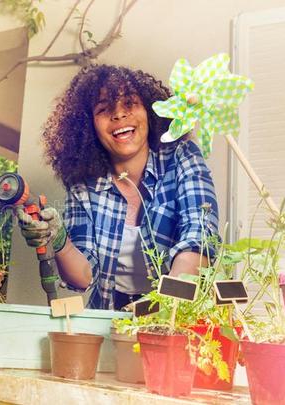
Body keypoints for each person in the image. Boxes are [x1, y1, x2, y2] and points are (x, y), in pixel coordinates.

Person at [16, 65, 219, 310]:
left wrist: (158, 307)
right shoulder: (83, 187)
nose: (119, 115)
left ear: (150, 111)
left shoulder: (182, 157)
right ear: (88, 127)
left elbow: (199, 236)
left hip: (179, 310)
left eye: (130, 103)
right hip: (110, 313)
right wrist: (59, 240)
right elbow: (83, 277)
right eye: (104, 109)